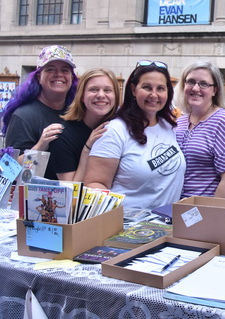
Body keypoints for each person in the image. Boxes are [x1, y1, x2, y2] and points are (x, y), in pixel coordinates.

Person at [84, 60, 186, 213]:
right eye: (146, 87)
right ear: (133, 89)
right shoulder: (114, 131)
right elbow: (95, 184)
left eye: (160, 88)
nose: (154, 94)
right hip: (129, 229)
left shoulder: (168, 125)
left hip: (167, 225)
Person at [2, 45, 78, 178]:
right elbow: (9, 171)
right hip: (35, 197)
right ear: (38, 77)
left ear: (72, 77)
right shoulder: (23, 116)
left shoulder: (77, 112)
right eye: (50, 69)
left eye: (65, 70)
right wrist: (41, 146)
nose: (59, 74)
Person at [174, 60, 225, 198]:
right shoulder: (180, 121)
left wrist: (211, 214)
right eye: (190, 82)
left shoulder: (223, 121)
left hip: (204, 210)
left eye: (203, 84)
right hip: (174, 209)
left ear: (215, 90)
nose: (195, 88)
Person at [46, 69, 120, 182]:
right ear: (82, 96)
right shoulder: (62, 136)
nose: (101, 95)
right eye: (93, 89)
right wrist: (87, 149)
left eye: (107, 90)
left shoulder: (121, 129)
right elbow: (71, 188)